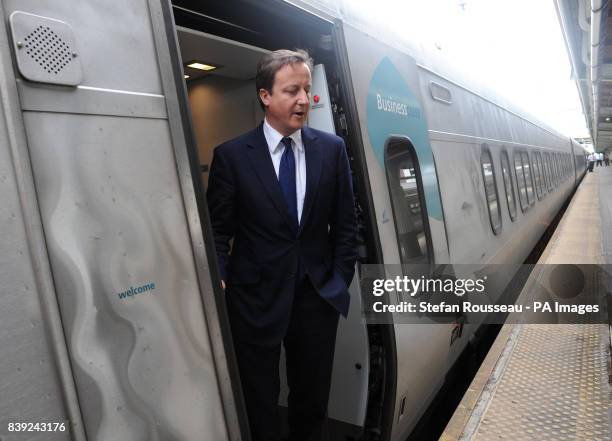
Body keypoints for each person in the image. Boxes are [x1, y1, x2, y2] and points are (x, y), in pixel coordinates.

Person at [207, 49, 358, 441]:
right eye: (292, 90)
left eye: (307, 90)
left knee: (311, 404)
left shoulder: (332, 149)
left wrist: (338, 281)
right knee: (260, 404)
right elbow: (217, 232)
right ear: (265, 97)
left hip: (316, 299)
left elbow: (346, 226)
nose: (304, 100)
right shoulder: (232, 157)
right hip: (254, 303)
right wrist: (220, 279)